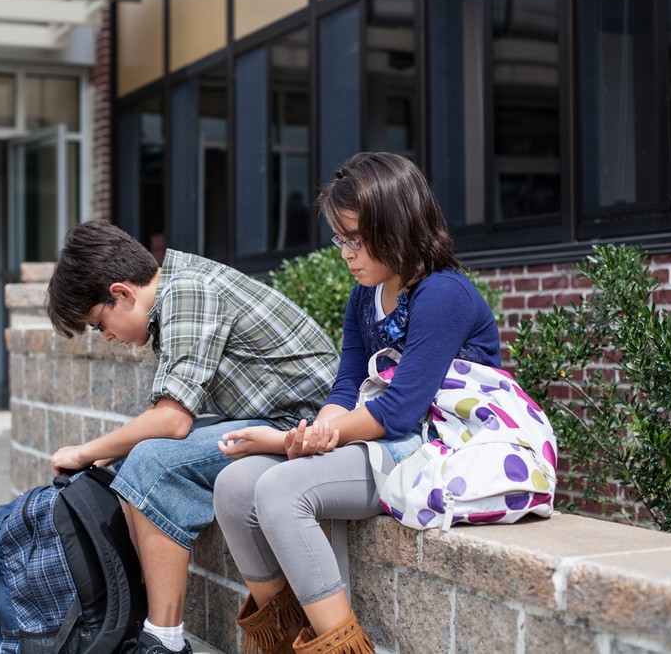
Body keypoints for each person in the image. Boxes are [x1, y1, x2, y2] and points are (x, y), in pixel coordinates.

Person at [213, 152, 502, 654]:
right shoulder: (363, 296)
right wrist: (314, 434)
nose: (346, 253)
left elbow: (402, 411)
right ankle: (281, 642)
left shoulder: (443, 294)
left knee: (281, 490)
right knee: (234, 485)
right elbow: (345, 388)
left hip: (434, 450)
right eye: (340, 238)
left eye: (356, 239)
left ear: (398, 225)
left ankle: (340, 647)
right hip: (384, 443)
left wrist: (289, 442)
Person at [44, 220, 339, 654]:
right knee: (129, 464)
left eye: (98, 323)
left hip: (304, 427)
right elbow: (168, 416)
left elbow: (172, 422)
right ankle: (133, 624)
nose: (105, 337)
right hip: (274, 417)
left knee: (151, 464)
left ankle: (163, 641)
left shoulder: (190, 291)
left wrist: (86, 451)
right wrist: (105, 458)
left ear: (122, 293)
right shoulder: (176, 293)